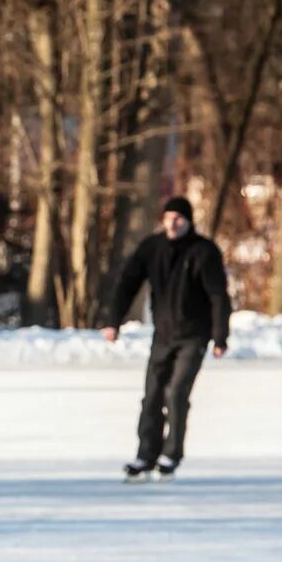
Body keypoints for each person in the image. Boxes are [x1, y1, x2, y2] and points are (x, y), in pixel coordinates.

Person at [101, 196, 232, 480]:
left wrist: (220, 336)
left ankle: (171, 454)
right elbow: (128, 283)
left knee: (176, 393)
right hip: (163, 334)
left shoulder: (204, 252)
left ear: (189, 221)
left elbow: (218, 295)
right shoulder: (152, 248)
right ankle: (145, 455)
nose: (173, 223)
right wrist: (114, 321)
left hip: (194, 336)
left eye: (179, 218)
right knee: (152, 396)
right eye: (169, 218)